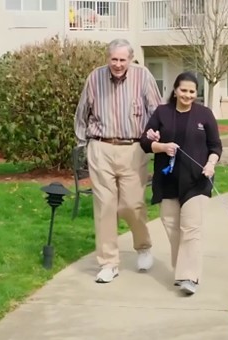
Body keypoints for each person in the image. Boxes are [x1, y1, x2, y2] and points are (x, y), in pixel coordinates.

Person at [74, 38, 163, 283]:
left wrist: (156, 136)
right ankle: (108, 263)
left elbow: (157, 111)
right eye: (114, 59)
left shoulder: (143, 77)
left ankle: (143, 246)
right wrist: (84, 144)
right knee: (105, 207)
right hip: (101, 147)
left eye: (123, 60)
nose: (118, 64)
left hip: (133, 148)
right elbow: (82, 113)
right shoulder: (95, 78)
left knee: (132, 205)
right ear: (108, 58)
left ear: (131, 59)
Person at [139, 72, 222, 295]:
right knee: (173, 228)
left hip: (197, 181)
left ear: (196, 93)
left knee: (191, 229)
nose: (187, 95)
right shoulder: (162, 113)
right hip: (167, 181)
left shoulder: (204, 115)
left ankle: (189, 277)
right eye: (183, 90)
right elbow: (145, 142)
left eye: (191, 91)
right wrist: (162, 146)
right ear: (175, 90)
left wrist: (211, 164)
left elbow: (216, 147)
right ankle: (183, 270)